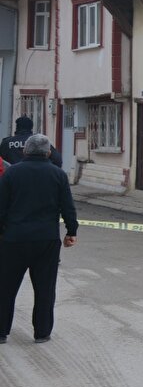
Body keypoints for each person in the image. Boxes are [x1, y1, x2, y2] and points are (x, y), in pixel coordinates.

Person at [0, 134, 77, 344]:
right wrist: (72, 231)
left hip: (13, 239)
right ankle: (42, 332)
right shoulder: (58, 175)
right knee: (45, 288)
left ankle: (1, 331)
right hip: (46, 240)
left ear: (25, 151)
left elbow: (1, 207)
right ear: (48, 152)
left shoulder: (11, 173)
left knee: (5, 287)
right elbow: (67, 207)